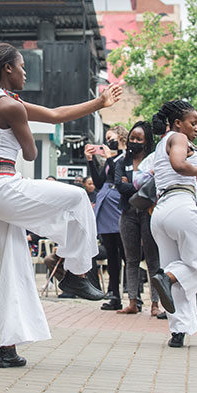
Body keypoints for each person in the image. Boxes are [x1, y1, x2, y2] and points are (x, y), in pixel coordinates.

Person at [0, 42, 121, 368]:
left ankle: (7, 348)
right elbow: (31, 154)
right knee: (78, 197)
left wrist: (99, 102)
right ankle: (77, 273)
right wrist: (25, 134)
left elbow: (54, 115)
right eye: (22, 67)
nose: (26, 72)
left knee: (13, 271)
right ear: (8, 68)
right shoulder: (10, 107)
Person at [147, 100, 197, 348]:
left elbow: (172, 167)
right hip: (181, 205)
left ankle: (178, 331)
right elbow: (179, 164)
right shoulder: (178, 137)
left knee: (176, 270)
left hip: (161, 211)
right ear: (178, 123)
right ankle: (167, 278)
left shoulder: (162, 143)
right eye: (193, 123)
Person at [114, 121, 161, 316]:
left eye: (138, 139)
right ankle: (133, 301)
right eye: (132, 138)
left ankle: (156, 304)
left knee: (153, 259)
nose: (134, 142)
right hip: (127, 213)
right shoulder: (122, 162)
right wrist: (138, 184)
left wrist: (130, 184)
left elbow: (154, 185)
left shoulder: (153, 161)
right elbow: (119, 185)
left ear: (146, 141)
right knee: (131, 259)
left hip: (148, 213)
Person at [85, 125, 128, 311]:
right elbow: (100, 181)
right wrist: (90, 160)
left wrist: (110, 158)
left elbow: (121, 177)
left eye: (111, 137)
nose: (108, 141)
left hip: (119, 206)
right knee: (111, 252)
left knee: (125, 252)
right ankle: (114, 295)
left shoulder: (126, 157)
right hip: (105, 207)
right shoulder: (109, 160)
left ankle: (134, 294)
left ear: (121, 138)